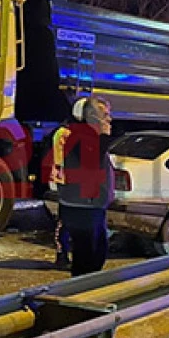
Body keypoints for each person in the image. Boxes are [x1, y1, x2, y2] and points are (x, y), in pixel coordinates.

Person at [52, 96, 114, 276]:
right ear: (91, 118)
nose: (109, 119)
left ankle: (86, 289)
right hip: (82, 207)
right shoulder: (77, 136)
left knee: (97, 253)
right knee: (86, 258)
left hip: (92, 206)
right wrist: (104, 136)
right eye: (105, 115)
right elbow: (90, 163)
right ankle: (79, 295)